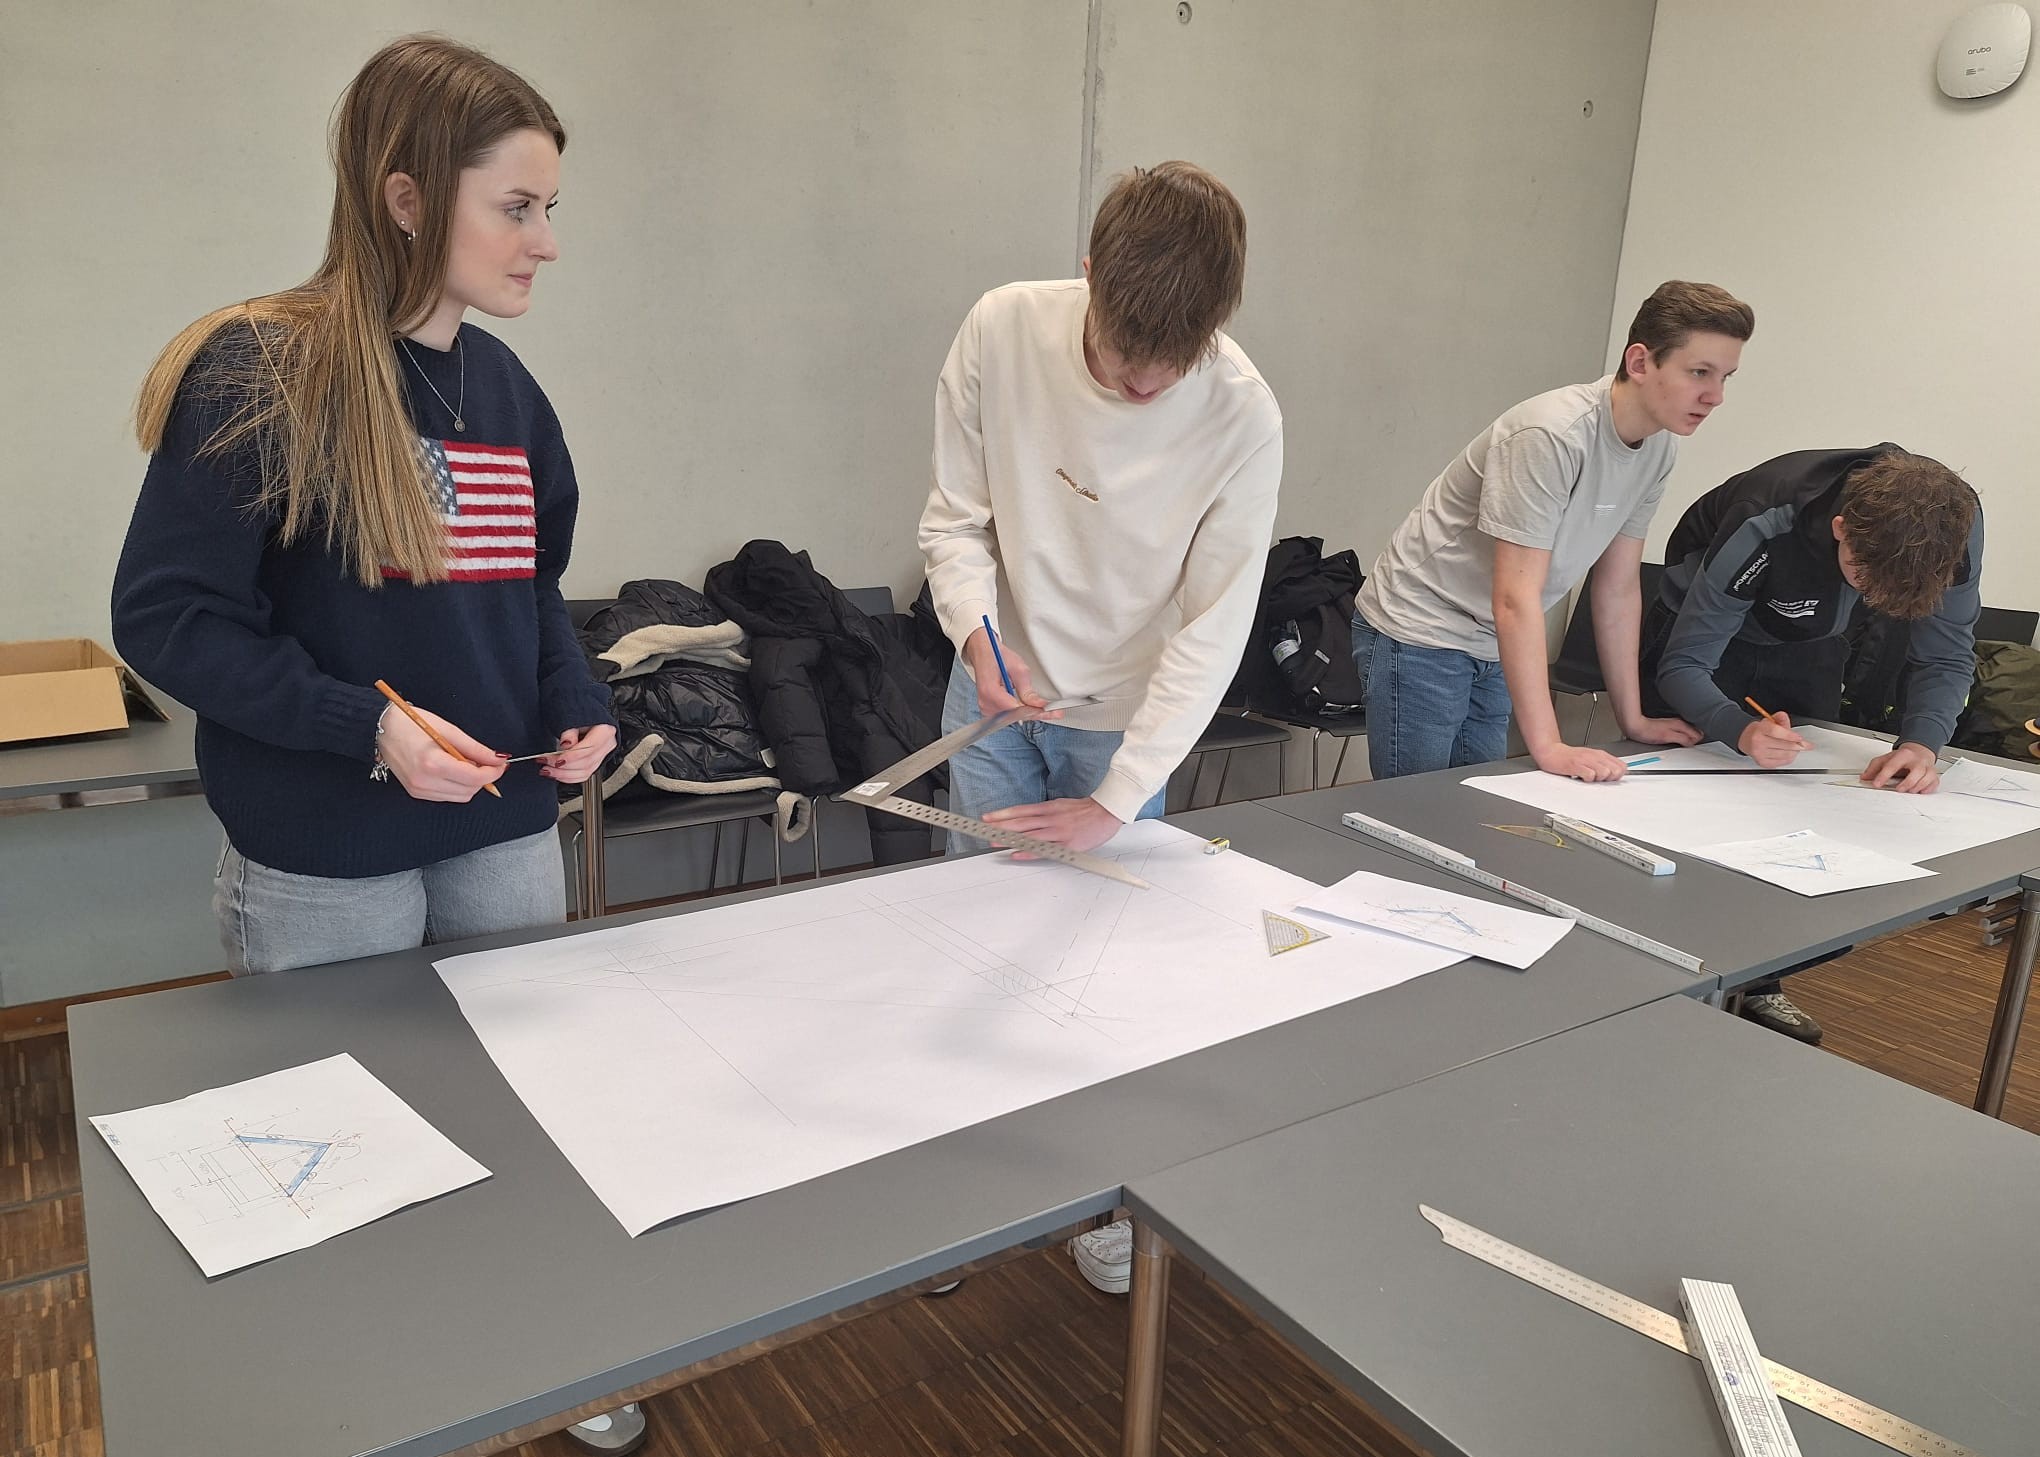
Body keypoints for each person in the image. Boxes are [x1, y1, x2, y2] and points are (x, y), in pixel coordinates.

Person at [109, 35, 638, 1455]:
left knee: (525, 1119)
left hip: (500, 836)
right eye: (515, 207)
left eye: (549, 208)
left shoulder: (510, 396)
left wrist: (576, 699)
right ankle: (367, 1400)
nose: (546, 241)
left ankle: (547, 1350)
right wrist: (371, 729)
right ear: (406, 198)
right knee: (339, 1149)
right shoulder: (261, 371)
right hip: (323, 855)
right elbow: (168, 619)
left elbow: (529, 591)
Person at [918, 161, 1282, 1291]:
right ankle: (953, 1199)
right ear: (1089, 275)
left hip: (1125, 722)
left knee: (1098, 969)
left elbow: (1214, 628)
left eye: (1176, 360)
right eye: (1128, 354)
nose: (1146, 381)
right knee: (972, 947)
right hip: (995, 691)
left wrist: (1118, 797)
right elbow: (955, 519)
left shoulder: (1243, 414)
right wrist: (977, 637)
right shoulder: (1002, 329)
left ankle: (1098, 1196)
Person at [1641, 445, 1984, 1043]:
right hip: (1709, 625)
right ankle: (1662, 977)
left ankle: (1761, 981)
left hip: (1813, 633)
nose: (1874, 595)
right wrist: (1736, 726)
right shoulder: (1767, 516)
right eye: (1864, 578)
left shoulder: (1953, 529)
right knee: (1694, 808)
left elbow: (1948, 656)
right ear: (1841, 529)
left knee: (1798, 810)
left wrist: (1923, 743)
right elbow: (1685, 664)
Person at [1351, 281, 1755, 782]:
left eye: (1725, 377)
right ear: (1639, 362)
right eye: (1699, 372)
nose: (1715, 397)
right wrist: (1548, 746)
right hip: (1422, 626)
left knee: (1475, 797)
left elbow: (1617, 587)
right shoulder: (1552, 434)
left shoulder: (1658, 447)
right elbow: (1515, 598)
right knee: (1416, 805)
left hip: (1493, 637)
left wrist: (1632, 718)